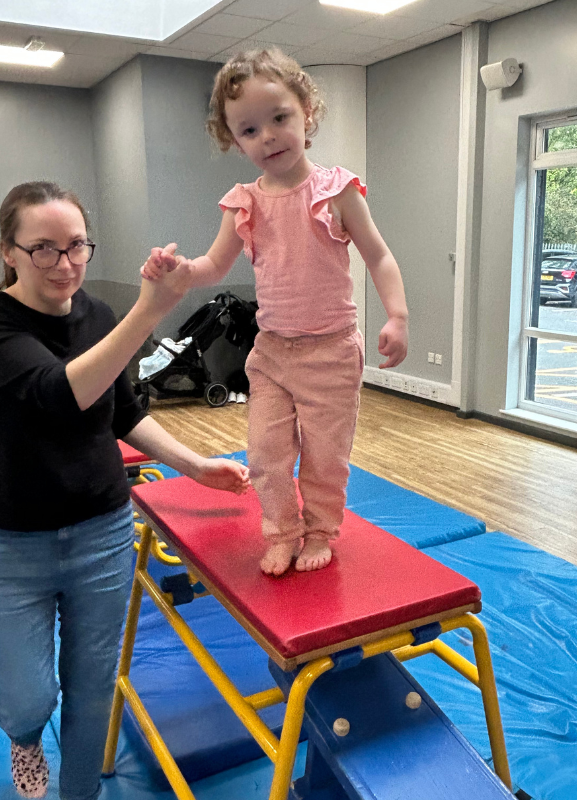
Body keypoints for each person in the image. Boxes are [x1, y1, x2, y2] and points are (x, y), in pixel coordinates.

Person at [0, 181, 249, 800]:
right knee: (27, 695)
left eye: (76, 247)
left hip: (101, 534)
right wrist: (152, 308)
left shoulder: (97, 316)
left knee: (93, 687)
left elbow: (120, 411)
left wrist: (195, 466)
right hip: (8, 543)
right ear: (8, 252)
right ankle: (24, 735)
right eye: (43, 249)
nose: (64, 264)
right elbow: (59, 394)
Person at [142, 49, 408, 576]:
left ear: (306, 111)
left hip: (331, 351)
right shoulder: (244, 201)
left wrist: (396, 315)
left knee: (325, 458)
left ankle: (321, 530)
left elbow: (379, 254)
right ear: (233, 140)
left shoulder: (336, 191)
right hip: (271, 353)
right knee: (264, 455)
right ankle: (282, 530)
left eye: (279, 118)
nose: (267, 136)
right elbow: (213, 266)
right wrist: (178, 272)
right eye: (248, 130)